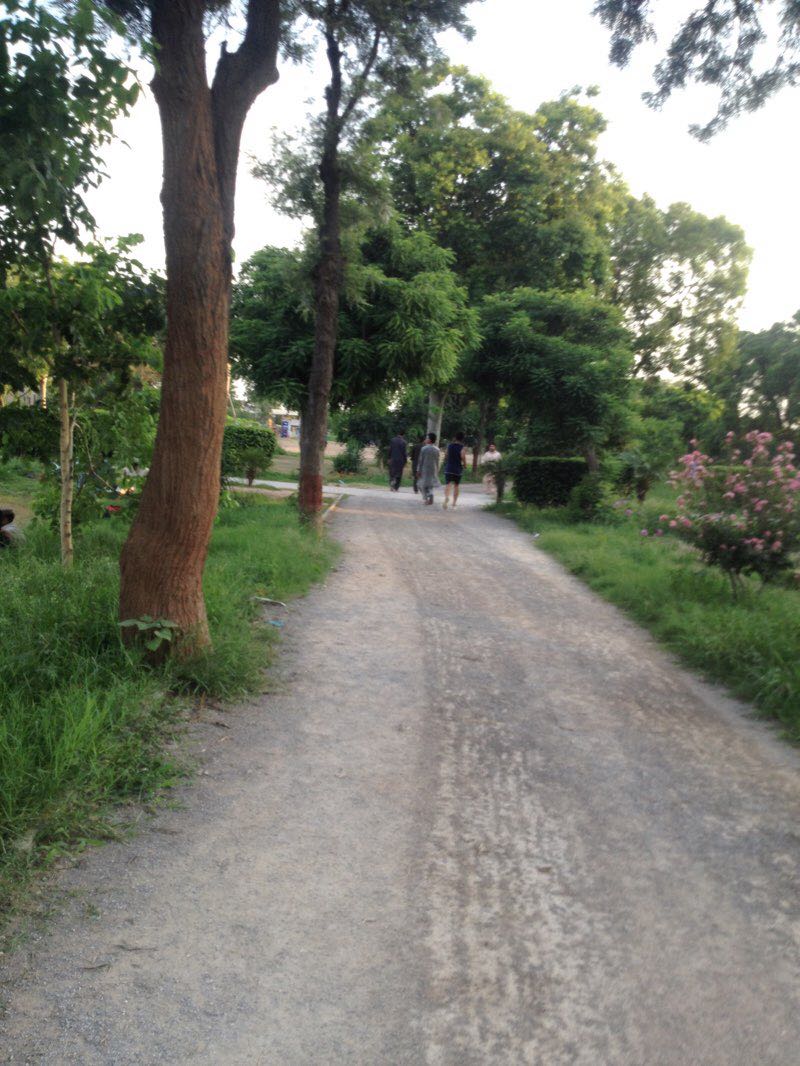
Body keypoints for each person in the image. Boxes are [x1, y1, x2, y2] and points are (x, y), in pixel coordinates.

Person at [443, 431, 467, 509]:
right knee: (456, 485)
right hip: (457, 469)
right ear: (462, 439)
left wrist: (448, 460)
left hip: (449, 467)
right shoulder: (462, 447)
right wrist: (465, 465)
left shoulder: (449, 446)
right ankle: (454, 504)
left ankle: (446, 497)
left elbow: (446, 455)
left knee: (448, 484)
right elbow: (462, 456)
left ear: (455, 438)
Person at [417, 432, 441, 505]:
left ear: (430, 440)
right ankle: (430, 495)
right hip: (433, 469)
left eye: (427, 438)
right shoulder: (437, 449)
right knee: (430, 485)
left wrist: (418, 470)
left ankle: (427, 497)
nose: (426, 439)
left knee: (420, 484)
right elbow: (437, 461)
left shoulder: (424, 449)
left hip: (424, 469)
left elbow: (421, 460)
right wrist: (437, 470)